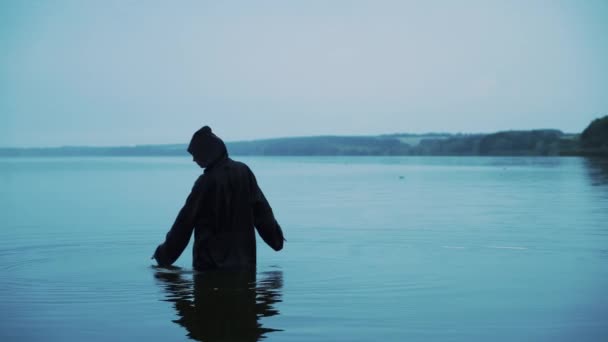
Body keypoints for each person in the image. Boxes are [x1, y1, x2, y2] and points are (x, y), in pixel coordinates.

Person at [153, 126, 284, 270]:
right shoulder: (244, 172)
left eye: (196, 154)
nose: (194, 159)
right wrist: (276, 240)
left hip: (209, 266)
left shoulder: (205, 182)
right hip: (244, 264)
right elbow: (262, 211)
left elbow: (184, 222)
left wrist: (163, 255)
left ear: (208, 152)